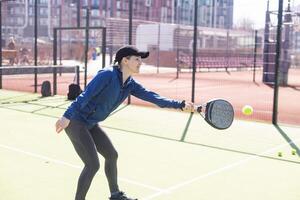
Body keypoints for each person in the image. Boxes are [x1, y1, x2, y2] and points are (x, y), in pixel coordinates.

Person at [55, 45, 194, 200]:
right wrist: (66, 116)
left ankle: (115, 195)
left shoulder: (130, 84)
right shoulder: (107, 75)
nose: (140, 62)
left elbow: (153, 97)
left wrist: (180, 105)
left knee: (112, 155)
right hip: (75, 122)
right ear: (125, 61)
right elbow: (85, 96)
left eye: (140, 59)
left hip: (91, 123)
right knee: (93, 165)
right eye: (137, 59)